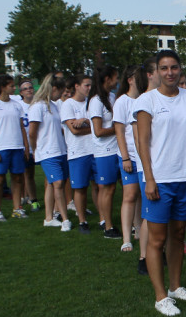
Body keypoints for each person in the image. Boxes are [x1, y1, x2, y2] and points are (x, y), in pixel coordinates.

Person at [134, 50, 186, 316]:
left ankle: (175, 286)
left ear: (180, 70)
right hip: (159, 179)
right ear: (156, 71)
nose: (170, 73)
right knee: (157, 239)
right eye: (164, 68)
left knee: (178, 235)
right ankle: (160, 296)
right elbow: (142, 142)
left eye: (174, 68)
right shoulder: (146, 101)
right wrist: (149, 179)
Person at [27, 74, 71, 231]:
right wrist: (35, 150)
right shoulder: (37, 107)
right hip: (47, 152)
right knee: (58, 183)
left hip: (60, 150)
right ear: (54, 89)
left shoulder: (54, 105)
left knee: (53, 184)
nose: (61, 95)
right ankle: (65, 219)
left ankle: (48, 217)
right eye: (61, 91)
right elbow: (32, 132)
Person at [0, 74, 30, 221]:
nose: (14, 88)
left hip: (17, 147)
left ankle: (17, 208)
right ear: (3, 87)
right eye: (11, 86)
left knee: (17, 178)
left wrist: (26, 147)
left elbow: (22, 128)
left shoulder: (17, 105)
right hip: (1, 148)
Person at [114, 65, 146, 262]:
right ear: (130, 79)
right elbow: (119, 131)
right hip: (129, 156)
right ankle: (126, 238)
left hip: (142, 157)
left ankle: (139, 230)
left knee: (140, 195)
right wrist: (125, 157)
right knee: (129, 195)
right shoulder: (122, 102)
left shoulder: (143, 99)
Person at [88, 66, 121, 238]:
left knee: (112, 188)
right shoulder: (96, 101)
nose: (117, 81)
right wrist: (118, 128)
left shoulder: (111, 97)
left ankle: (107, 221)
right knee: (107, 189)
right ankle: (108, 226)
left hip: (115, 149)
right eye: (115, 78)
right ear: (107, 79)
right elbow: (98, 131)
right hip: (104, 152)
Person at [60, 75, 95, 233]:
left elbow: (100, 125)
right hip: (78, 152)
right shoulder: (68, 104)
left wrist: (86, 122)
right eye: (86, 85)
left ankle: (103, 219)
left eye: (90, 85)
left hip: (95, 150)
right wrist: (94, 128)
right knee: (80, 188)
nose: (89, 88)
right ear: (77, 86)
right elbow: (74, 131)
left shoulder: (92, 102)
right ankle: (82, 221)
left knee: (99, 186)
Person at [17, 79, 40, 210]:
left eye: (30, 87)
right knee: (28, 174)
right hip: (26, 145)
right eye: (25, 88)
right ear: (21, 92)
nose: (29, 90)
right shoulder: (19, 106)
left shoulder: (38, 104)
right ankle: (32, 199)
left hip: (40, 144)